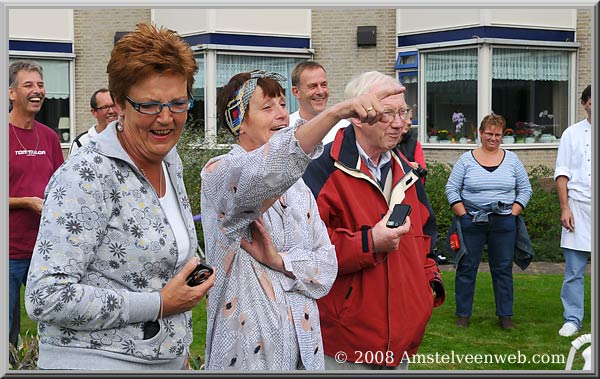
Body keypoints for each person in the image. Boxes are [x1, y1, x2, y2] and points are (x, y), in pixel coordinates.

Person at [25, 23, 214, 370]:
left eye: (178, 103)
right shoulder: (86, 175)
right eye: (150, 105)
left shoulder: (168, 160)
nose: (167, 118)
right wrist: (158, 304)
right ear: (118, 105)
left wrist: (176, 345)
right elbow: (45, 296)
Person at [201, 70, 403, 370]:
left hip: (304, 350)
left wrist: (278, 261)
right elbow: (266, 175)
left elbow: (326, 266)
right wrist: (336, 113)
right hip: (246, 353)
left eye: (283, 105)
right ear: (239, 122)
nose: (281, 115)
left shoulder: (299, 188)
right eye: (267, 107)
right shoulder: (219, 174)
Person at [303, 71, 445, 370]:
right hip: (345, 345)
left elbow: (427, 240)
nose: (399, 123)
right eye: (387, 113)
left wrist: (427, 288)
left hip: (403, 344)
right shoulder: (320, 170)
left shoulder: (409, 173)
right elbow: (305, 252)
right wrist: (370, 243)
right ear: (357, 116)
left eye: (403, 112)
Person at [445, 113, 532, 330]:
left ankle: (505, 317)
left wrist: (513, 212)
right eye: (489, 133)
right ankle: (463, 315)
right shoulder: (466, 160)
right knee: (466, 267)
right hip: (472, 221)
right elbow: (451, 188)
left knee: (502, 269)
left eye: (498, 134)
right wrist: (463, 215)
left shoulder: (512, 160)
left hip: (504, 223)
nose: (493, 138)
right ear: (480, 134)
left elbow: (525, 189)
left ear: (502, 135)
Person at [8, 60, 65, 348]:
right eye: (28, 85)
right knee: (6, 330)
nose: (37, 91)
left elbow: (61, 187)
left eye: (40, 85)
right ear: (11, 93)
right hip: (7, 252)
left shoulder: (50, 137)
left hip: (44, 252)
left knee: (54, 325)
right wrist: (25, 202)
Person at [554, 85, 592, 337]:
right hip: (577, 208)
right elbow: (562, 174)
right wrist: (565, 208)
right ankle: (573, 318)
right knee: (574, 271)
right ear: (584, 103)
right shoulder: (571, 134)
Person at [289, 61, 349, 144]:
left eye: (324, 85)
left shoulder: (344, 128)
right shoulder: (286, 130)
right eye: (313, 86)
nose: (320, 92)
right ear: (296, 92)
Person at [68, 88, 117, 155]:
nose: (111, 111)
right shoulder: (81, 143)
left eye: (113, 106)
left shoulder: (128, 139)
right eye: (105, 107)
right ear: (94, 112)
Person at [397, 107, 427, 181]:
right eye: (406, 118)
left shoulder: (415, 144)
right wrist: (408, 165)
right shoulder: (384, 144)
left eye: (410, 119)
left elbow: (422, 173)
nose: (409, 123)